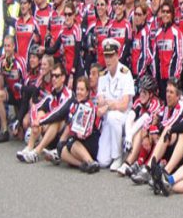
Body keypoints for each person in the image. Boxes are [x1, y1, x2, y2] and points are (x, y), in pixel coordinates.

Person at [96, 38, 136, 171]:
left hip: (124, 118)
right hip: (108, 121)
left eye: (111, 56)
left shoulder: (125, 73)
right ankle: (117, 149)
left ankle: (118, 155)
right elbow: (99, 103)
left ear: (117, 55)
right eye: (105, 56)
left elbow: (124, 104)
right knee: (102, 161)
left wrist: (108, 105)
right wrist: (109, 104)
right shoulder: (102, 75)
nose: (108, 60)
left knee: (113, 116)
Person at [58, 76, 103, 173]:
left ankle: (90, 162)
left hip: (90, 140)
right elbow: (70, 125)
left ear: (87, 92)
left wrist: (72, 134)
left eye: (82, 90)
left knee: (72, 143)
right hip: (79, 139)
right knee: (62, 150)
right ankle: (82, 165)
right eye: (77, 89)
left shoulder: (87, 106)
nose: (79, 92)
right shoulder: (75, 104)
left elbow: (83, 134)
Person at [0, 35, 25, 143]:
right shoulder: (2, 60)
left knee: (20, 137)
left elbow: (26, 81)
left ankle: (19, 124)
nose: (7, 48)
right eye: (5, 46)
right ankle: (4, 129)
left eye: (9, 46)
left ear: (13, 47)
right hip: (11, 92)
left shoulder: (20, 61)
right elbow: (0, 85)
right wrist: (2, 72)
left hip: (21, 95)